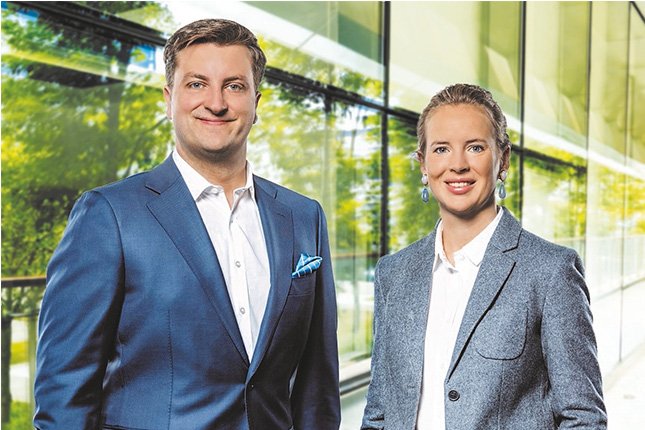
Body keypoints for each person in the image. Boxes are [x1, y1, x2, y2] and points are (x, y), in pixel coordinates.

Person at [34, 18, 340, 429]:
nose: (216, 102)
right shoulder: (109, 214)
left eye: (234, 86)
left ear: (256, 103)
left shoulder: (304, 217)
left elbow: (318, 385)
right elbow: (64, 391)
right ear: (169, 98)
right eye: (197, 84)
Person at [361, 83, 607, 429]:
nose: (457, 165)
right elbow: (379, 412)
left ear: (503, 159)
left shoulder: (550, 271)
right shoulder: (394, 273)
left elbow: (583, 417)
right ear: (423, 164)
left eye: (475, 147)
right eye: (441, 149)